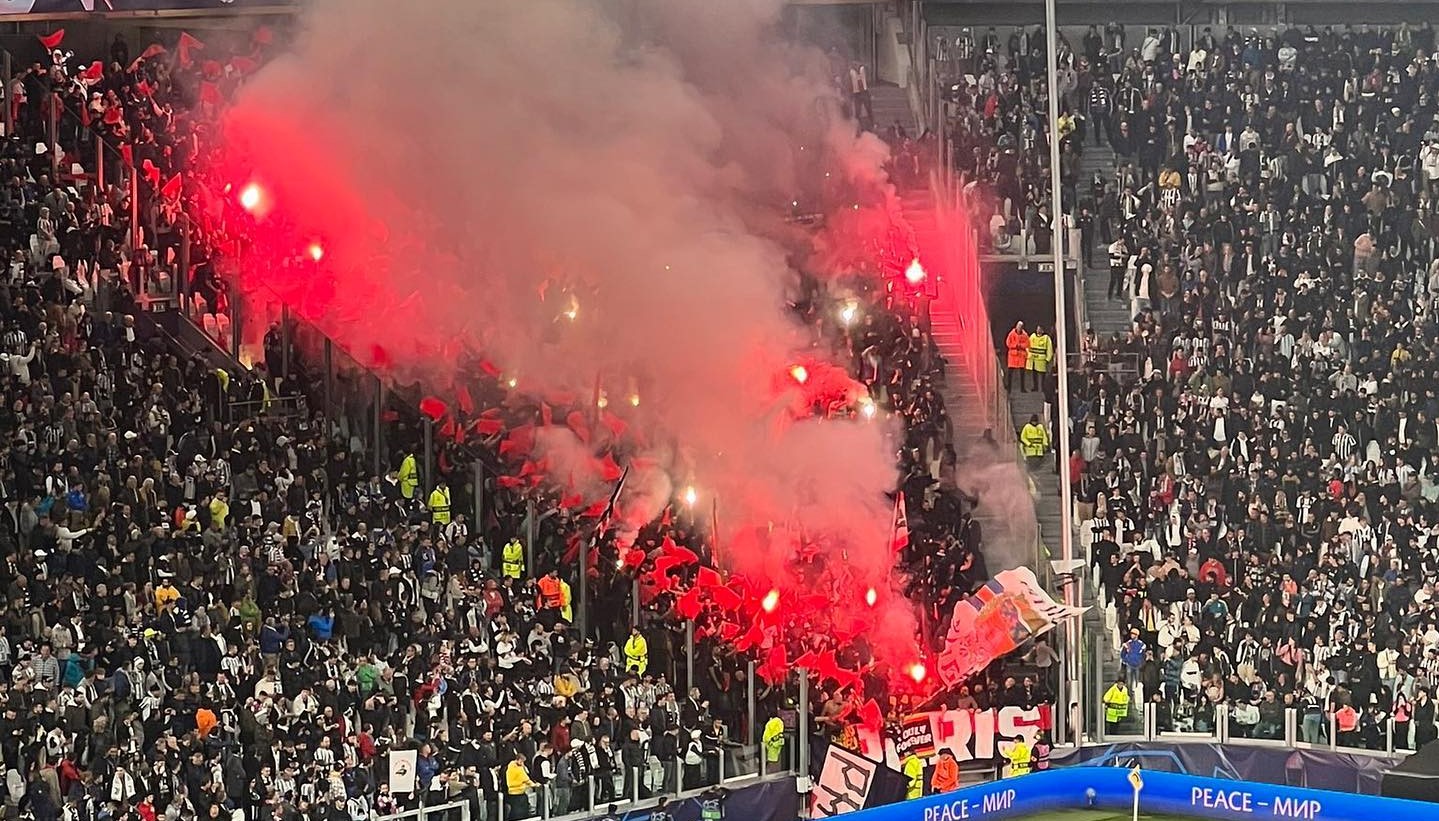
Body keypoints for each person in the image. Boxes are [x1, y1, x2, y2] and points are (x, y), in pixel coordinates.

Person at [504, 750, 537, 820]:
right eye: (522, 762)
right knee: (520, 813)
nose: (522, 763)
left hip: (512, 793)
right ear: (518, 760)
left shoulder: (510, 766)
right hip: (518, 793)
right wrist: (534, 785)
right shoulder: (518, 769)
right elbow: (525, 779)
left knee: (514, 812)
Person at [1025, 324, 1052, 392]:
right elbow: (1027, 345)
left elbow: (1049, 349)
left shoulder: (1046, 338)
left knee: (1042, 375)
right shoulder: (1032, 336)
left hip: (1041, 360)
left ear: (1043, 331)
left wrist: (1048, 359)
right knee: (1034, 374)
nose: (1038, 330)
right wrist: (1028, 354)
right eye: (1037, 329)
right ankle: (1035, 387)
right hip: (1033, 359)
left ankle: (1043, 387)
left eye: (1039, 329)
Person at [1005, 321, 1029, 392]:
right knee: (1010, 373)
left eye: (1020, 327)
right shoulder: (1011, 334)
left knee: (1022, 373)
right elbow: (1008, 343)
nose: (1019, 328)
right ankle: (1009, 388)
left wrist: (1021, 346)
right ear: (1016, 326)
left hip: (1021, 356)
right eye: (1018, 326)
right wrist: (1015, 345)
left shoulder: (1025, 335)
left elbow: (1027, 344)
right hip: (1013, 356)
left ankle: (1022, 388)